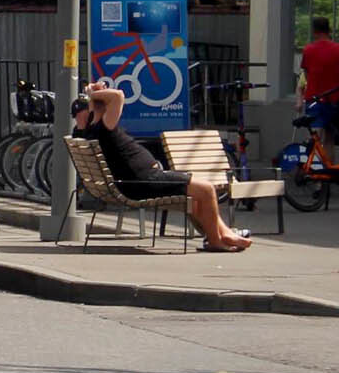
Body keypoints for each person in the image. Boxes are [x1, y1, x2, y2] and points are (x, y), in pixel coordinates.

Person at [73, 79, 253, 252]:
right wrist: (92, 92)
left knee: (198, 196)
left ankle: (224, 234)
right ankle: (216, 241)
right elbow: (119, 95)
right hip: (144, 181)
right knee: (206, 189)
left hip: (137, 181)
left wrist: (95, 94)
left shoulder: (93, 127)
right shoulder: (104, 126)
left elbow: (110, 99)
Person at [298, 16, 339, 138]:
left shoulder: (308, 50)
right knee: (329, 140)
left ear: (314, 31)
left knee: (315, 139)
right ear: (329, 30)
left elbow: (306, 75)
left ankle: (315, 156)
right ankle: (328, 158)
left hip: (314, 101)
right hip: (335, 103)